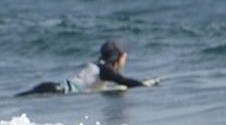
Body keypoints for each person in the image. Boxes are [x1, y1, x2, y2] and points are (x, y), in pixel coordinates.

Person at [15, 39, 158, 97]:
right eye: (125, 56)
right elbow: (124, 81)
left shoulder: (99, 65)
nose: (126, 59)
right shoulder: (106, 70)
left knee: (21, 96)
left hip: (53, 87)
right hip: (56, 90)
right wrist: (146, 85)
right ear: (118, 56)